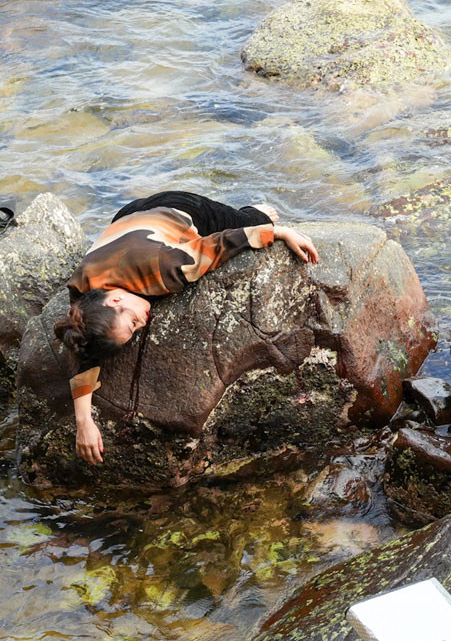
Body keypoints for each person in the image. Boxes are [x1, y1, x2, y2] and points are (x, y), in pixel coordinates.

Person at [55, 191, 320, 465]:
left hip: (179, 208)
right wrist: (83, 422)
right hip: (127, 218)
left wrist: (278, 233)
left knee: (249, 219)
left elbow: (220, 245)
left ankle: (254, 210)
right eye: (135, 329)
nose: (142, 323)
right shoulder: (84, 296)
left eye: (133, 322)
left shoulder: (169, 269)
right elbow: (85, 350)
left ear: (116, 299)